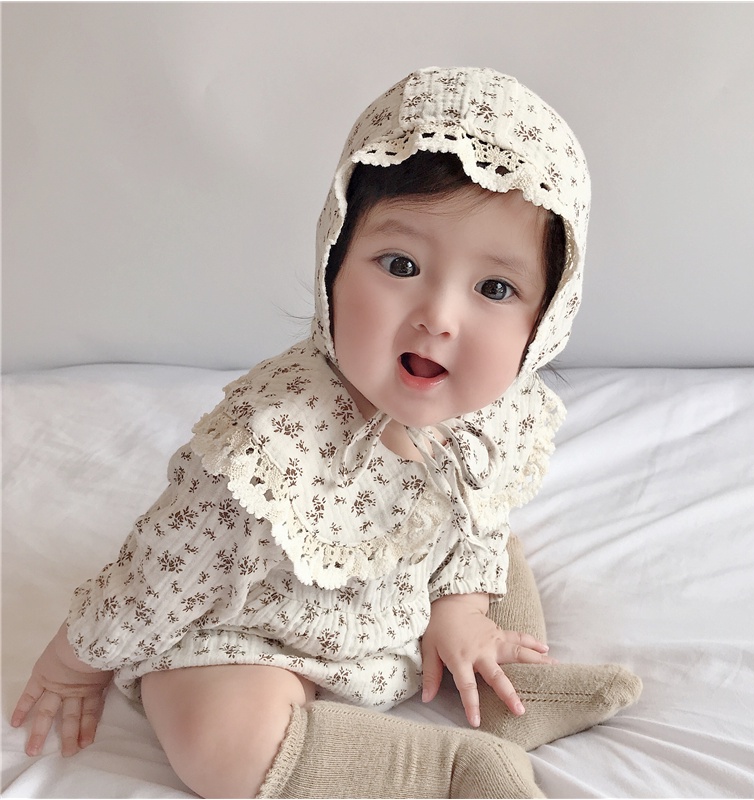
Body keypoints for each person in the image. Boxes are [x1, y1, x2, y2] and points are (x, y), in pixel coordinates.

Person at [11, 66, 641, 798]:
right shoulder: (268, 447)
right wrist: (75, 661)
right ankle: (449, 770)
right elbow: (160, 572)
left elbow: (478, 526)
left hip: (406, 603)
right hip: (262, 632)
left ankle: (508, 689)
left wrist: (461, 607)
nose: (438, 317)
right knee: (218, 735)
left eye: (494, 289)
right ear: (333, 262)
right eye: (400, 265)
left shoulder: (490, 413)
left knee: (493, 535)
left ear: (545, 319)